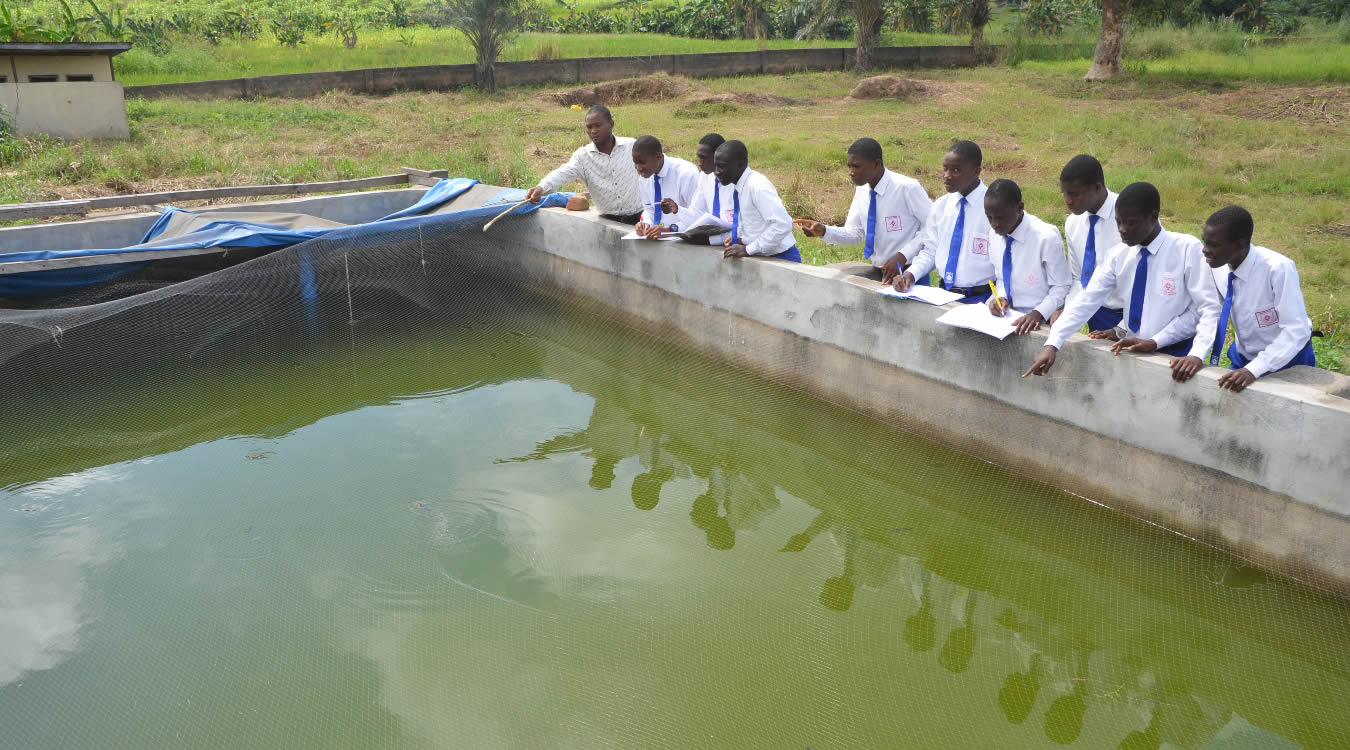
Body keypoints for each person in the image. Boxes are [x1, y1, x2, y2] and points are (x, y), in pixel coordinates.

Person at [1024, 182, 1221, 383]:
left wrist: (1190, 352)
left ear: (1153, 217)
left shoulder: (1186, 249)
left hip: (1176, 356)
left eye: (1130, 223)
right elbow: (1087, 300)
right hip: (1133, 350)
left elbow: (1205, 309)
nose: (1122, 230)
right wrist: (1053, 343)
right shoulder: (1119, 255)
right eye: (1118, 222)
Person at [1201, 205, 1316, 392]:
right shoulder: (1218, 265)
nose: (1205, 250)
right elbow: (1210, 311)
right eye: (1204, 242)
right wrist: (1197, 354)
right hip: (1245, 359)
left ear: (1239, 244)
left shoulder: (1277, 269)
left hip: (1286, 360)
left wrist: (1254, 369)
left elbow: (1297, 329)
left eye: (1213, 244)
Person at [792, 137, 932, 283]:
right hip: (881, 272)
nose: (851, 172)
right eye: (849, 166)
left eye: (857, 167)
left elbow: (932, 227)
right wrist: (824, 231)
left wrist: (903, 255)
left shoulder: (906, 188)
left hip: (911, 273)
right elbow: (856, 233)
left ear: (876, 164)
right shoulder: (862, 190)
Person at [892, 140, 995, 303]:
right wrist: (910, 274)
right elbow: (931, 250)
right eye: (945, 168)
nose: (947, 176)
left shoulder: (994, 208)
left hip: (982, 299)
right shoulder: (941, 206)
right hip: (943, 296)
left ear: (976, 171)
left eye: (956, 170)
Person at [526, 104, 643, 224]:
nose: (593, 131)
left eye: (598, 125)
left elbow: (657, 166)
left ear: (611, 124)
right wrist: (541, 187)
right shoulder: (583, 157)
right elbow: (562, 173)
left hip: (642, 219)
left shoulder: (631, 146)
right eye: (589, 127)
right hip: (608, 223)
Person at [984, 178, 1070, 336]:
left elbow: (1061, 287)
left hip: (1041, 323)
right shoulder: (994, 235)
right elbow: (1002, 278)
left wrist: (1038, 313)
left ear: (1020, 208)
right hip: (1008, 320)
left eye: (1000, 217)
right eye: (989, 217)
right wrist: (1000, 298)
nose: (994, 224)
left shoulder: (1045, 237)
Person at [1059, 154, 1126, 333]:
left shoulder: (1131, 216)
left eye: (1075, 194)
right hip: (1096, 312)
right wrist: (1068, 313)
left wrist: (1120, 329)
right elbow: (1078, 278)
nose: (1068, 200)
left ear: (1097, 188)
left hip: (1131, 315)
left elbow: (1149, 279)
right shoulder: (1073, 223)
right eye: (1064, 193)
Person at [706, 139, 801, 262]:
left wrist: (748, 249)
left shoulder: (757, 186)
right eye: (716, 165)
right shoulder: (739, 186)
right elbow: (751, 221)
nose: (716, 172)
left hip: (780, 258)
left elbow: (782, 224)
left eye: (722, 166)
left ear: (740, 165)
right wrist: (741, 238)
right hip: (762, 258)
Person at [631, 135, 702, 240]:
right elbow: (649, 209)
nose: (638, 168)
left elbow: (697, 216)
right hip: (657, 240)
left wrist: (669, 230)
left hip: (684, 241)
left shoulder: (687, 174)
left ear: (658, 157)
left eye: (642, 163)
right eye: (635, 163)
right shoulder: (645, 176)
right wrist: (645, 224)